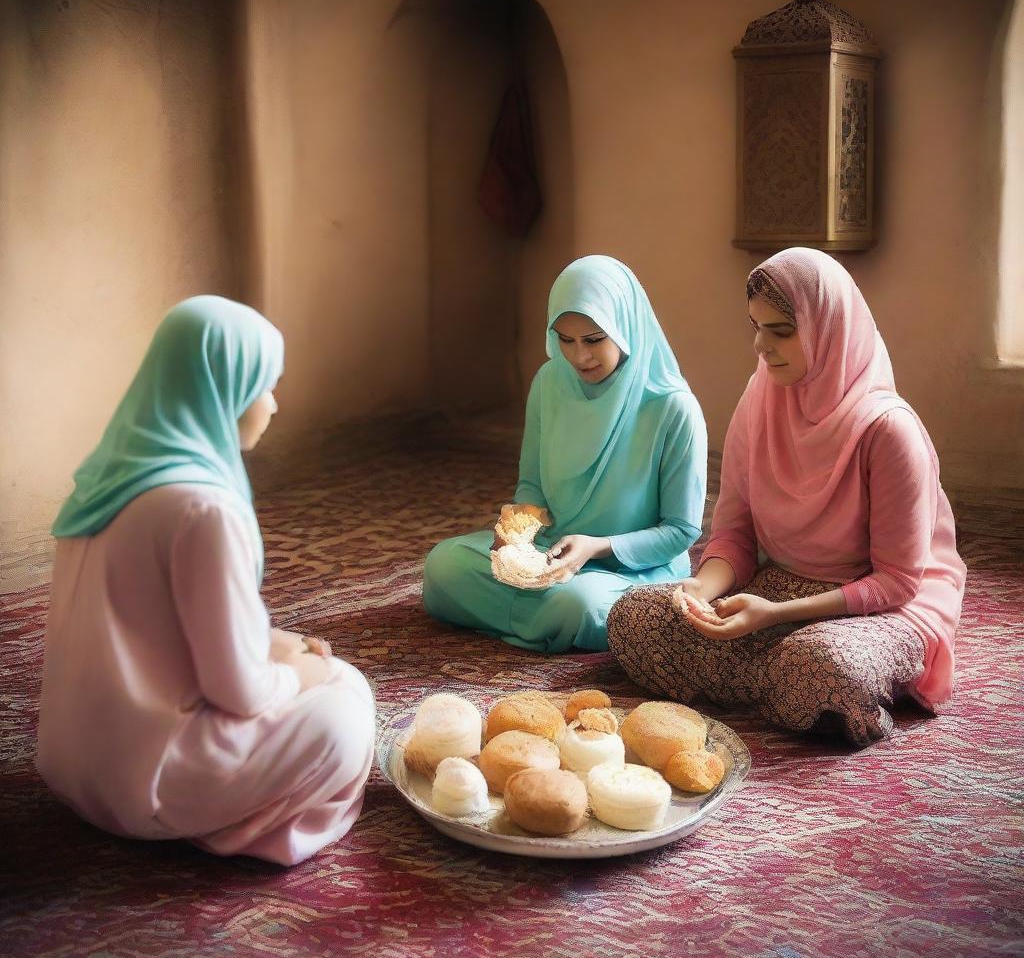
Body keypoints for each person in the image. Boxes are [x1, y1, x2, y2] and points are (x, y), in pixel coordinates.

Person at [36, 295, 375, 865]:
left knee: (296, 657)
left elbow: (150, 632)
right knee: (346, 702)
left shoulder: (105, 478)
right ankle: (233, 826)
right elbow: (237, 691)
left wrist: (272, 647)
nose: (272, 404)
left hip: (73, 768)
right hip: (144, 784)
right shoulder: (202, 509)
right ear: (223, 388)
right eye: (263, 385)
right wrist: (299, 675)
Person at [609, 248, 967, 745]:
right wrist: (702, 592)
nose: (761, 345)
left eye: (780, 331)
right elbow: (734, 533)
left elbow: (897, 582)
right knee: (636, 618)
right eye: (756, 326)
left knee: (823, 665)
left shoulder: (888, 430)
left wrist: (774, 616)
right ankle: (786, 688)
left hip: (876, 608)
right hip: (779, 590)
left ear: (829, 331)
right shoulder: (759, 402)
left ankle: (800, 681)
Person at [423, 255, 708, 652]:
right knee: (443, 566)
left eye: (594, 340)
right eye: (565, 339)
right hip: (552, 555)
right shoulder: (549, 382)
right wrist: (516, 537)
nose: (579, 357)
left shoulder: (673, 409)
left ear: (624, 328)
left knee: (582, 607)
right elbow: (532, 485)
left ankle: (541, 619)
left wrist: (596, 547)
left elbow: (679, 532)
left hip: (629, 571)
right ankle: (543, 623)